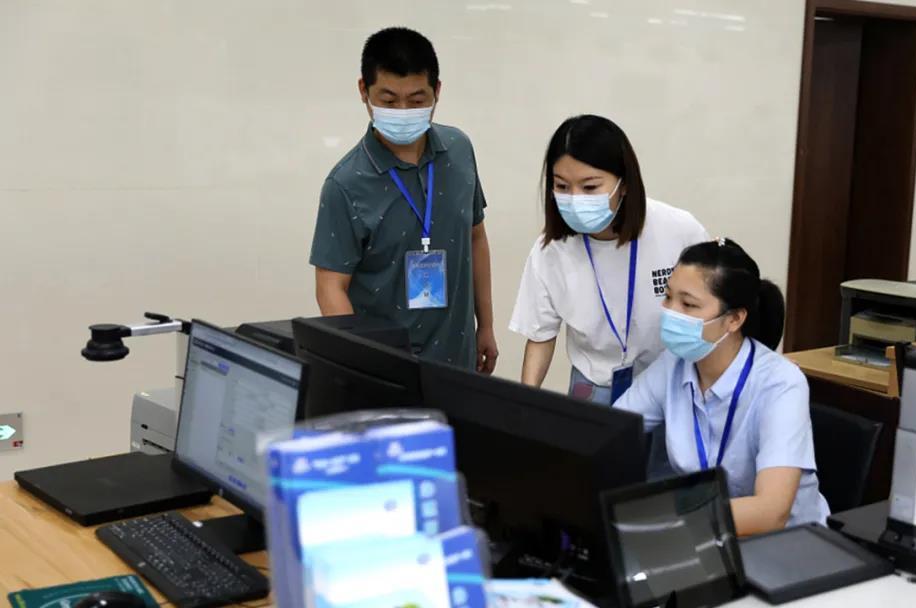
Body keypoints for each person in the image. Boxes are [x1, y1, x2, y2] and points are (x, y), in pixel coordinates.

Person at [309, 27, 498, 373]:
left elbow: (476, 237)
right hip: (385, 370)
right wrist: (361, 364)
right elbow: (330, 286)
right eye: (389, 100)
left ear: (437, 91)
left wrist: (485, 325)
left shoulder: (459, 150)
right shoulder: (345, 184)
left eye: (416, 100)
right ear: (363, 91)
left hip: (458, 360)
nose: (403, 110)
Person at [614, 238, 829, 535]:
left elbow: (771, 512)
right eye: (668, 297)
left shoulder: (781, 383)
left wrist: (660, 517)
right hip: (708, 534)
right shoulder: (673, 364)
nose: (671, 312)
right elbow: (609, 433)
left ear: (734, 319)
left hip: (786, 541)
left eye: (688, 304)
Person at [509, 115, 710, 405]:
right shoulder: (550, 250)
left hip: (670, 381)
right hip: (595, 384)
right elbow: (541, 335)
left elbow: (714, 308)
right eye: (562, 186)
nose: (575, 199)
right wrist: (525, 404)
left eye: (590, 187)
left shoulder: (678, 230)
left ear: (624, 184)